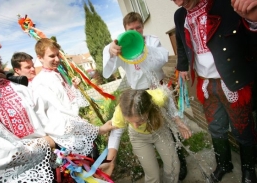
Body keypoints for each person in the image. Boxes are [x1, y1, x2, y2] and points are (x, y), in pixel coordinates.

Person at [0, 13, 114, 182]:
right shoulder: (38, 83)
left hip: (57, 160)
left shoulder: (19, 90)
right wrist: (48, 142)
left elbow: (55, 119)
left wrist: (96, 129)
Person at [172, 0, 257, 182]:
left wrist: (254, 21)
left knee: (242, 129)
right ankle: (224, 164)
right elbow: (181, 42)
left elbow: (249, 38)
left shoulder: (225, 3)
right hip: (206, 84)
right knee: (215, 128)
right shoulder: (179, 15)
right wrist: (183, 66)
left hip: (232, 81)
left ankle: (249, 171)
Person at [102, 11, 189, 180]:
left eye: (138, 28)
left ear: (142, 27)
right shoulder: (121, 46)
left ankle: (179, 162)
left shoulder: (151, 40)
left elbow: (162, 58)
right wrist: (111, 52)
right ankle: (154, 165)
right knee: (144, 125)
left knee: (169, 126)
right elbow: (107, 72)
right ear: (125, 30)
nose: (136, 31)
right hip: (138, 94)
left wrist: (142, 47)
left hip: (157, 89)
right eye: (131, 29)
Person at [99, 89, 192, 183]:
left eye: (140, 121)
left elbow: (168, 99)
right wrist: (110, 161)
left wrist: (177, 120)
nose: (135, 125)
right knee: (153, 176)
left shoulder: (157, 99)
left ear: (148, 110)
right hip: (138, 137)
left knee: (173, 167)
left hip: (160, 131)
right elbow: (116, 133)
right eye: (130, 121)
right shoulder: (121, 111)